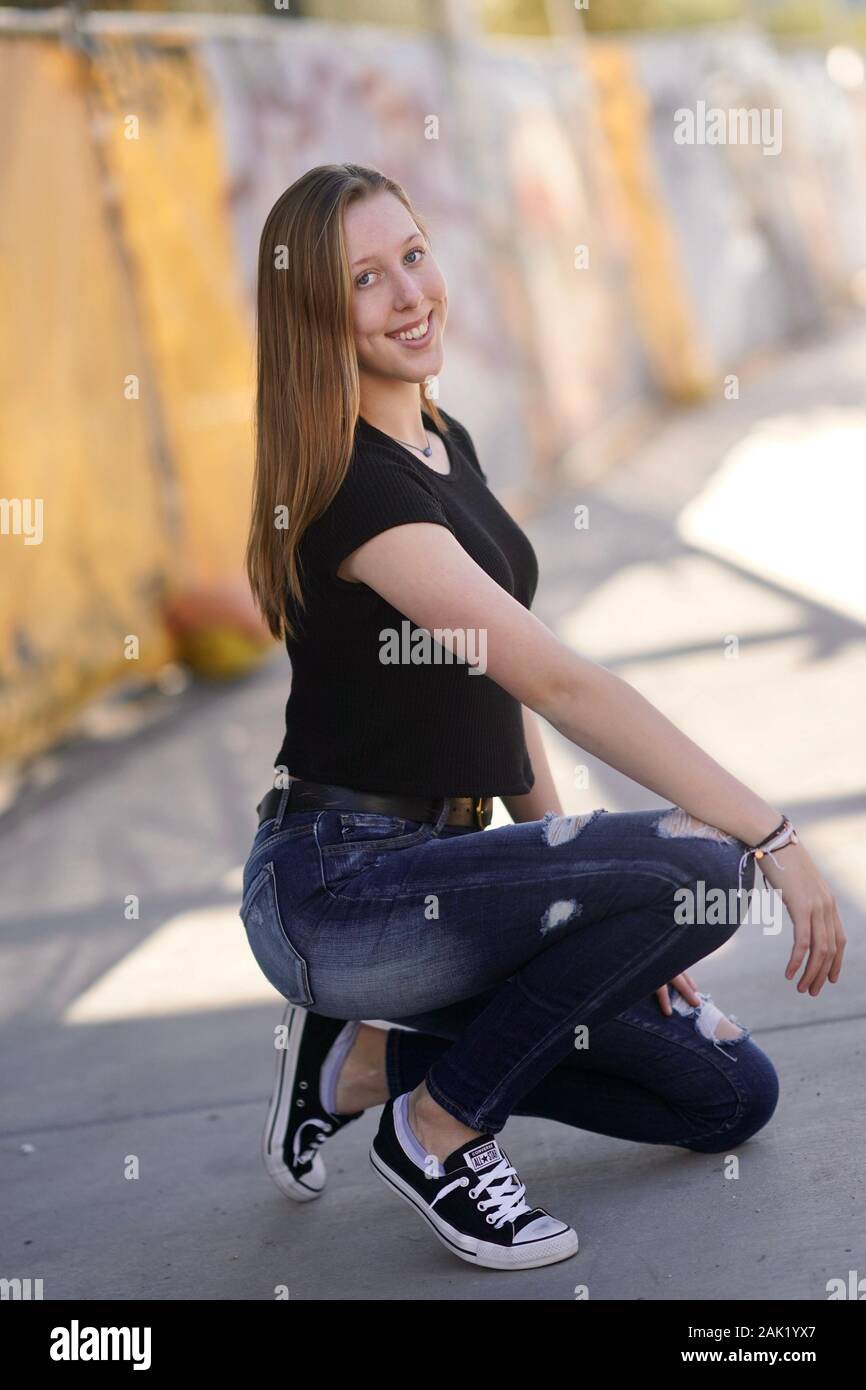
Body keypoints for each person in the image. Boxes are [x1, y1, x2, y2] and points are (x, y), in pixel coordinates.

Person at [241, 163, 845, 1272]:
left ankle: (356, 1065)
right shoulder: (351, 492)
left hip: (447, 876)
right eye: (363, 279)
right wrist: (771, 833)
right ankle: (435, 1132)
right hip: (340, 887)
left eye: (412, 255)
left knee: (727, 1096)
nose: (407, 294)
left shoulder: (440, 436)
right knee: (706, 864)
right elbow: (557, 679)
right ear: (314, 312)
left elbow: (504, 693)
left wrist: (594, 903)